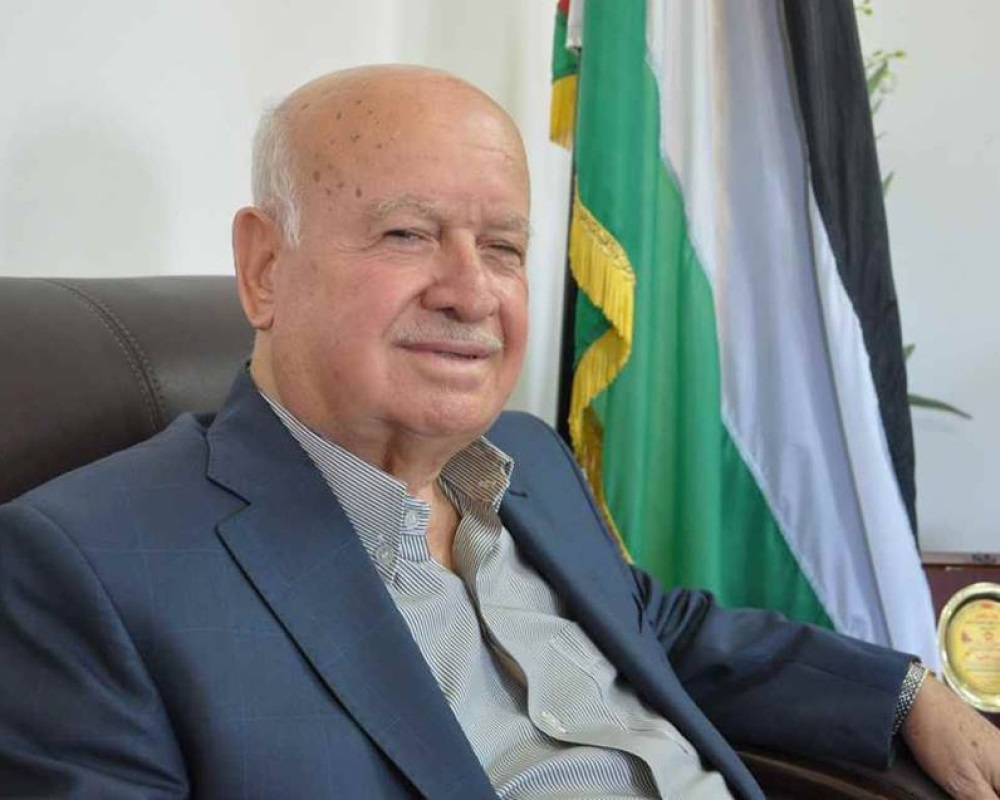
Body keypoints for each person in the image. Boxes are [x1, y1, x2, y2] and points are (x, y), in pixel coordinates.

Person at [0, 65, 997, 800]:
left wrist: (907, 693)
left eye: (505, 247)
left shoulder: (531, 460)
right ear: (265, 269)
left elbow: (660, 629)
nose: (472, 291)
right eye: (407, 233)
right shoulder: (84, 569)